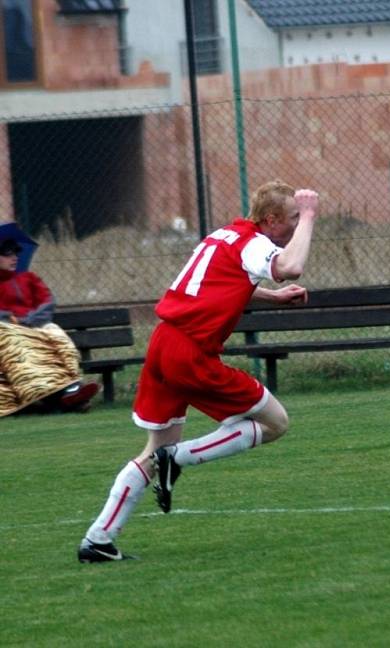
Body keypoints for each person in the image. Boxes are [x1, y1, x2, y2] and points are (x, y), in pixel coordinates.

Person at [78, 181, 319, 562]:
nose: (295, 226)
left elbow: (219, 280)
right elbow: (292, 266)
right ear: (272, 220)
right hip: (190, 352)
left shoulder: (227, 235)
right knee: (276, 423)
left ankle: (98, 539)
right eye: (290, 219)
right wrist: (308, 215)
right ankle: (181, 457)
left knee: (153, 452)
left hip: (163, 344)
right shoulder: (255, 243)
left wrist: (272, 296)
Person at [0, 236, 99, 415]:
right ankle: (58, 396)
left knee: (56, 334)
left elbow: (47, 301)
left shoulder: (28, 278)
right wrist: (11, 320)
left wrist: (31, 320)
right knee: (21, 346)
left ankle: (72, 387)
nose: (14, 257)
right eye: (8, 254)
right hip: (9, 332)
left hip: (36, 325)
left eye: (16, 253)